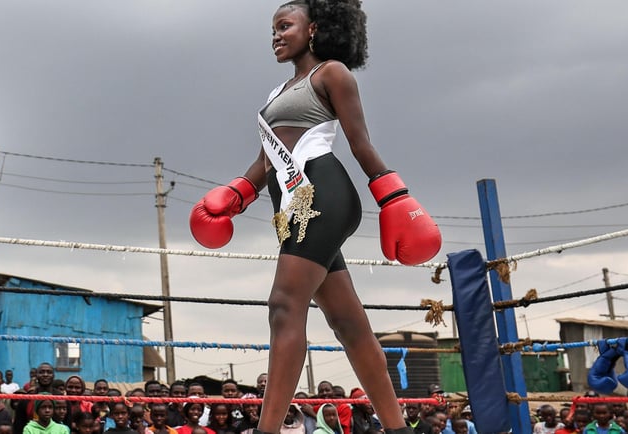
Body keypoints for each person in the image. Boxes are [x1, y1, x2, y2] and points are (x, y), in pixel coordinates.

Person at [187, 3, 440, 434]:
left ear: (314, 29)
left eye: (285, 26)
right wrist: (238, 193)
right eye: (273, 28)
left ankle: (267, 430)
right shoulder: (277, 92)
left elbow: (360, 142)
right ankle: (398, 428)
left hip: (321, 194)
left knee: (284, 305)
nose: (276, 35)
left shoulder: (332, 73)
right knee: (348, 323)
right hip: (290, 206)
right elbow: (265, 161)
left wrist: (395, 197)